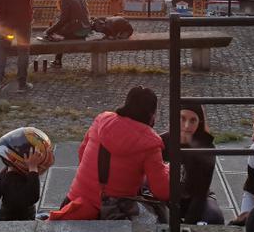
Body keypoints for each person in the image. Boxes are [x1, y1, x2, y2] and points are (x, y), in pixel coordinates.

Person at [50, 86, 169, 221]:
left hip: (74, 205)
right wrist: (167, 169)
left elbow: (82, 153)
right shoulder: (150, 144)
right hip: (113, 213)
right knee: (157, 219)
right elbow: (162, 190)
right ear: (152, 114)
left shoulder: (102, 120)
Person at [160, 102, 224, 225]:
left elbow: (200, 193)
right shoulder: (161, 142)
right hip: (166, 199)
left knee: (214, 218)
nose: (186, 125)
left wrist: (187, 225)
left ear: (199, 123)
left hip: (195, 199)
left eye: (193, 120)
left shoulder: (206, 148)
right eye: (182, 118)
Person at [45, 0, 91, 68]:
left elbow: (63, 20)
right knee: (59, 30)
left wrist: (49, 31)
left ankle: (58, 61)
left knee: (56, 34)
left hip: (78, 32)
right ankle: (57, 61)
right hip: (87, 29)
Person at [0, 147, 47, 221]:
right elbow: (33, 196)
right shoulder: (13, 183)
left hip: (4, 216)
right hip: (22, 221)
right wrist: (33, 168)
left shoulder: (5, 173)